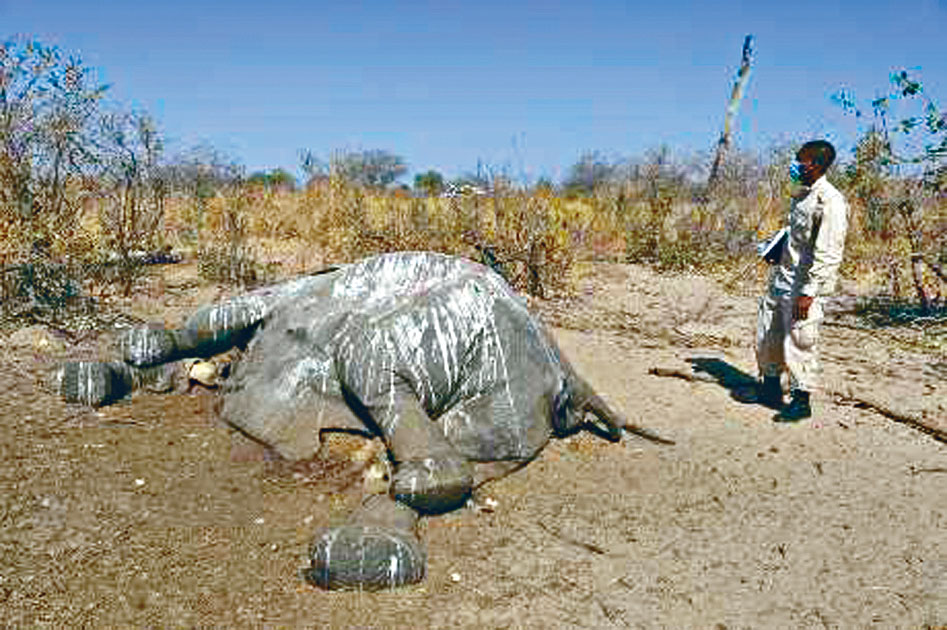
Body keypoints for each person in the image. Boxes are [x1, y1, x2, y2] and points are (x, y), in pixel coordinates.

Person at [756, 140, 849, 422]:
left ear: (816, 165)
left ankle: (801, 400)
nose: (795, 165)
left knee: (800, 341)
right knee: (767, 335)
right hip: (781, 279)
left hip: (804, 287)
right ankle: (770, 386)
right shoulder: (802, 195)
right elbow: (797, 239)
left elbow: (829, 252)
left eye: (801, 160)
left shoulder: (830, 201)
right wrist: (775, 250)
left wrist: (809, 293)